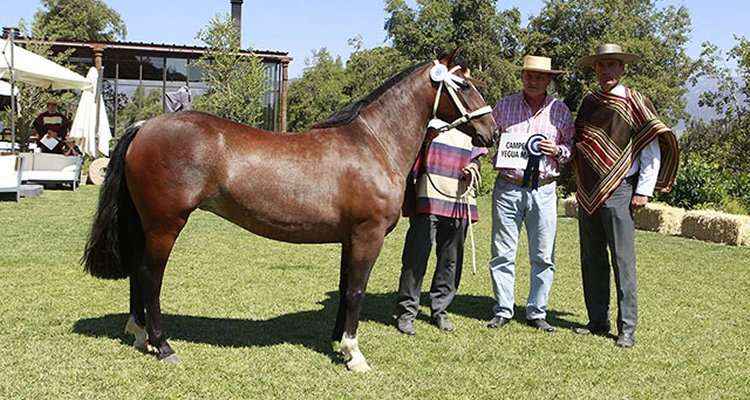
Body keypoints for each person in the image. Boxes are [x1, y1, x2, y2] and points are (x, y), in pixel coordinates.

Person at [573, 44, 679, 348]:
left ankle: (627, 328)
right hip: (589, 192)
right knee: (591, 258)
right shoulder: (590, 102)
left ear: (622, 69)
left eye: (611, 65)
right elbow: (583, 143)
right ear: (594, 69)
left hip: (621, 189)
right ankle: (597, 320)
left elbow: (650, 148)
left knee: (622, 260)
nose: (605, 71)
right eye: (600, 65)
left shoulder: (635, 101)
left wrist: (643, 191)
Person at [486, 55, 575, 332]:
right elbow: (487, 136)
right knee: (502, 253)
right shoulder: (504, 105)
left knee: (543, 256)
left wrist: (558, 151)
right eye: (528, 75)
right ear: (522, 76)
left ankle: (537, 311)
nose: (533, 80)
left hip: (545, 191)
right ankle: (503, 308)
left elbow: (571, 148)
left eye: (539, 76)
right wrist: (487, 156)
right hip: (507, 187)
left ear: (549, 80)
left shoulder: (560, 111)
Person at [396, 119, 488, 335]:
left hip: (459, 198)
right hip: (428, 195)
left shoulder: (471, 124)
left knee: (451, 260)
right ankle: (407, 312)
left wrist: (474, 167)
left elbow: (477, 156)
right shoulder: (427, 120)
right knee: (416, 257)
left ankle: (440, 310)